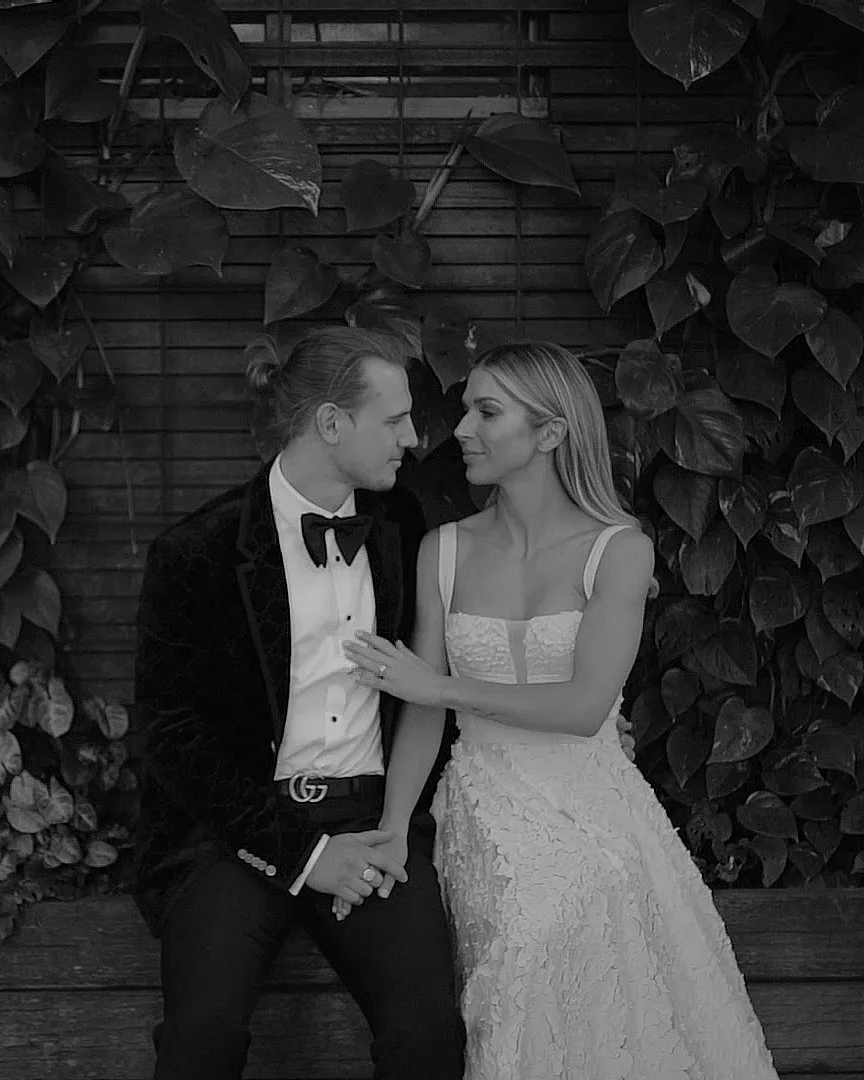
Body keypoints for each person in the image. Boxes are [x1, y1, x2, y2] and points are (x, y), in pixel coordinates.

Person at [344, 341, 780, 1080]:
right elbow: (419, 714)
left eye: (487, 412)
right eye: (466, 410)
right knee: (533, 926)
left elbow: (583, 708)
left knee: (599, 903)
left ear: (550, 432)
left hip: (596, 797)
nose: (461, 429)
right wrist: (391, 827)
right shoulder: (442, 550)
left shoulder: (618, 551)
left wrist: (440, 688)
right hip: (487, 794)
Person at [133, 326, 465, 1080]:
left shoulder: (399, 525)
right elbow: (172, 735)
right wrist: (306, 855)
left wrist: (385, 830)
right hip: (237, 831)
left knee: (429, 1033)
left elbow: (438, 664)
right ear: (330, 423)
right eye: (394, 420)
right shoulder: (197, 551)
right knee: (203, 1037)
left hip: (375, 825)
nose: (413, 439)